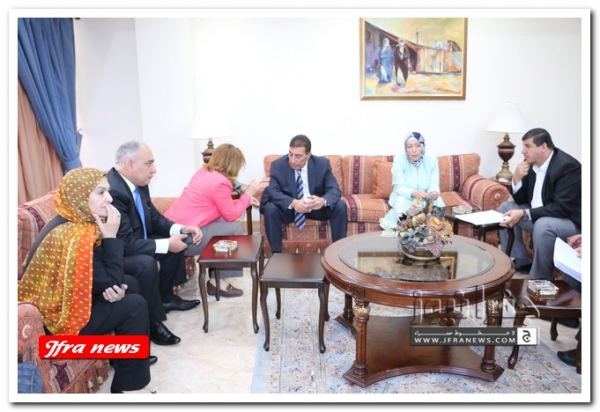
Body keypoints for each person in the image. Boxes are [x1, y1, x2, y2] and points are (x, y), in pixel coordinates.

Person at [18, 168, 155, 394]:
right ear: (80, 196)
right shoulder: (74, 236)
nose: (109, 199)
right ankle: (128, 387)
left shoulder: (73, 220)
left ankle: (126, 360)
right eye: (100, 192)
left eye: (108, 191)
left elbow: (102, 277)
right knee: (135, 305)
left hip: (63, 305)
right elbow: (110, 280)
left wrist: (111, 286)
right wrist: (111, 237)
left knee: (129, 283)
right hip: (55, 332)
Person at [107, 141, 202, 346]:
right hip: (116, 251)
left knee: (176, 241)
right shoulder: (113, 191)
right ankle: (153, 323)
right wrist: (167, 244)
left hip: (136, 241)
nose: (154, 170)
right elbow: (124, 243)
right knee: (146, 263)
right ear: (130, 164)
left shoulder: (138, 183)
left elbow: (154, 217)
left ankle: (166, 298)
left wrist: (181, 229)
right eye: (149, 164)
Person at [164, 143, 260, 298]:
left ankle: (217, 276)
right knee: (234, 229)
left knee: (224, 223)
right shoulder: (221, 182)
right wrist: (247, 195)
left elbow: (221, 206)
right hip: (185, 238)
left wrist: (245, 200)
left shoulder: (203, 172)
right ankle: (217, 282)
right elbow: (231, 214)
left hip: (171, 229)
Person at [499, 128, 581, 279]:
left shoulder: (567, 167)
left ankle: (540, 278)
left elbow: (561, 208)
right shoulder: (530, 163)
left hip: (568, 222)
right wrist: (516, 179)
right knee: (506, 208)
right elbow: (521, 200)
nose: (523, 151)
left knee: (543, 225)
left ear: (543, 146)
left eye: (528, 146)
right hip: (539, 215)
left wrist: (524, 213)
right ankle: (520, 261)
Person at [260, 134, 348, 254]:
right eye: (290, 154)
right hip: (290, 210)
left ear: (308, 155)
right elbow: (273, 191)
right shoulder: (278, 165)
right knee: (270, 208)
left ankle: (338, 253)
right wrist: (293, 202)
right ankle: (276, 254)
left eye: (298, 156)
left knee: (340, 205)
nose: (292, 160)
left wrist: (322, 201)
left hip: (316, 209)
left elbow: (334, 190)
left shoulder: (322, 164)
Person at [380, 132, 445, 231]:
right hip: (406, 198)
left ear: (422, 146)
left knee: (438, 200)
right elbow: (399, 187)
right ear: (406, 148)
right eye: (410, 146)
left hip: (424, 199)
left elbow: (434, 183)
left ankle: (433, 231)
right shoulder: (399, 159)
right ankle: (408, 230)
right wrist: (413, 192)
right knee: (401, 201)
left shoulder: (432, 159)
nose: (414, 150)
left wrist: (434, 193)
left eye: (417, 146)